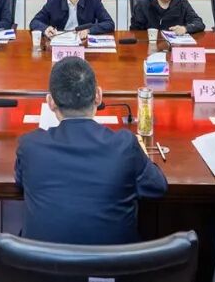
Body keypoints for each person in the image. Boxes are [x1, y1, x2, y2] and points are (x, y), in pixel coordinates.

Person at [15, 57, 167, 244]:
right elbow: (158, 187)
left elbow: (20, 181)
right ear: (98, 96)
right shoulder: (125, 145)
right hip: (114, 262)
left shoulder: (30, 146)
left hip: (42, 262)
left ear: (51, 102)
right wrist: (140, 153)